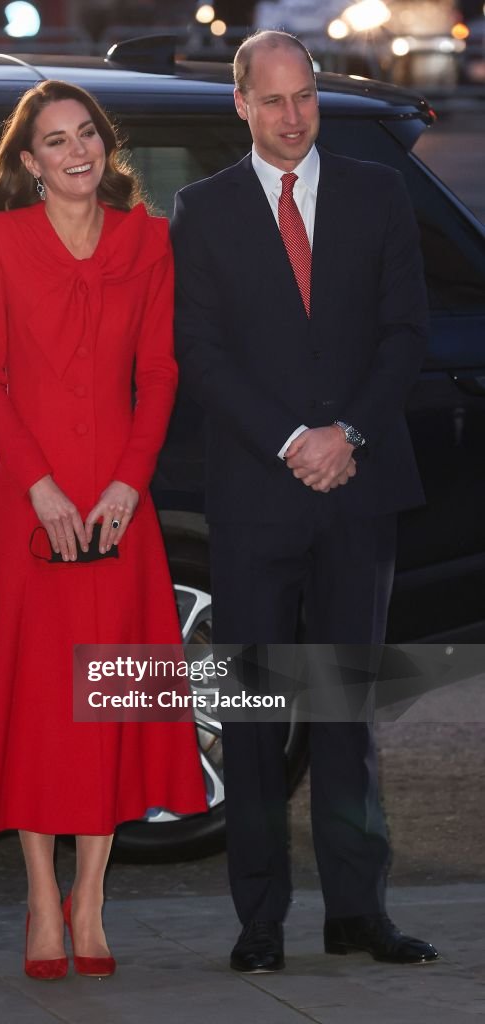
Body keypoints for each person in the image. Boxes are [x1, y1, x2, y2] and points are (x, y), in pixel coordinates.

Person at [170, 31, 438, 972]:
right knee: (249, 714)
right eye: (273, 101)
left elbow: (406, 332)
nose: (292, 118)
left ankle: (356, 911)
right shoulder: (199, 211)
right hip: (254, 496)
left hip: (358, 490)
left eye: (306, 98)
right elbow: (199, 353)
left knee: (344, 713)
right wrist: (291, 442)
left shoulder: (373, 192)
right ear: (239, 104)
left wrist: (345, 436)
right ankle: (259, 921)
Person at [0, 80, 207, 981]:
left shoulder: (146, 238)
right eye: (55, 142)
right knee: (36, 708)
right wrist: (42, 490)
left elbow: (162, 373)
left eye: (86, 134)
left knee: (103, 703)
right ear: (29, 163)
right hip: (29, 506)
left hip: (117, 511)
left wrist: (129, 486)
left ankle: (90, 899)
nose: (76, 152)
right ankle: (37, 898)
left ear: (106, 144)